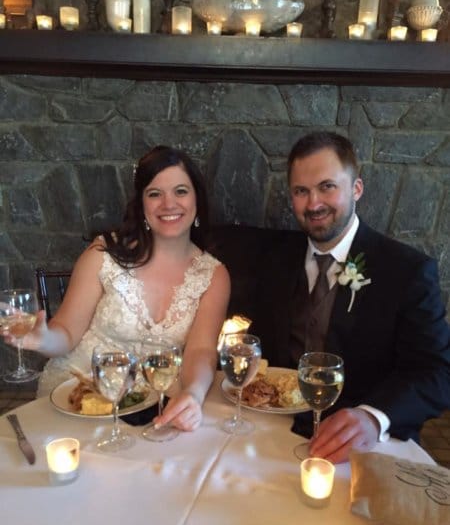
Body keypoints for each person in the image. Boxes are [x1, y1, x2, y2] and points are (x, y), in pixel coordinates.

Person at [252, 131, 450, 463]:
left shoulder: (407, 271)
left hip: (367, 446)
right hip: (275, 434)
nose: (313, 204)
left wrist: (373, 417)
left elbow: (437, 372)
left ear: (356, 188)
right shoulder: (273, 258)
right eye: (301, 191)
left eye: (327, 186)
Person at [3, 146, 230, 432]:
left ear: (197, 198)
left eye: (181, 191)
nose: (168, 204)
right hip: (79, 393)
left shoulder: (214, 275)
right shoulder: (104, 253)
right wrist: (44, 339)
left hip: (152, 401)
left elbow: (201, 350)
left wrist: (193, 394)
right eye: (154, 193)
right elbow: (67, 333)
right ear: (142, 205)